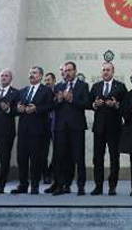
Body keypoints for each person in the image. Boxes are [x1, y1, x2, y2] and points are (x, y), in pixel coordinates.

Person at [11, 66, 54, 194]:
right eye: (30, 73)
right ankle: (23, 184)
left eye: (34, 73)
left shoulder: (46, 90)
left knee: (36, 159)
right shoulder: (23, 91)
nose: (31, 75)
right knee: (22, 158)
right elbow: (15, 108)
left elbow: (51, 106)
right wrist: (18, 108)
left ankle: (35, 185)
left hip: (38, 130)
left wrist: (36, 109)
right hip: (23, 130)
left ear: (40, 76)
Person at [51, 61, 90, 195]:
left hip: (76, 127)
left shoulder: (83, 85)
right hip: (61, 127)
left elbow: (87, 103)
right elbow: (52, 106)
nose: (67, 73)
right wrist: (59, 100)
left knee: (79, 157)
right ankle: (62, 185)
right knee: (61, 157)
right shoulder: (58, 86)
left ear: (75, 71)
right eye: (65, 70)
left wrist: (72, 100)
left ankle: (81, 186)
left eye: (69, 70)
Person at [89, 62, 127, 195]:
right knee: (97, 158)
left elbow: (126, 105)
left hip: (114, 128)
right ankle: (98, 186)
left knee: (114, 158)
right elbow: (88, 102)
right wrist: (94, 104)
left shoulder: (120, 87)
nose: (105, 72)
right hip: (99, 128)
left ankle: (112, 186)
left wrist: (116, 105)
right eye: (104, 70)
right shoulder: (96, 86)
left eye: (108, 70)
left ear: (113, 72)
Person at [41, 71, 57, 187]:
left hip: (56, 124)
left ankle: (52, 173)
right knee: (43, 152)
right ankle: (45, 174)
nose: (47, 82)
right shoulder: (41, 92)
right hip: (43, 125)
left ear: (54, 81)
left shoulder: (58, 91)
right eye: (45, 80)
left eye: (49, 80)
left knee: (57, 151)